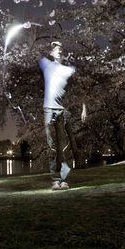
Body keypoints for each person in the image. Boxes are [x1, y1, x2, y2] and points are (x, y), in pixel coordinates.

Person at [38, 41, 75, 190]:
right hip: (48, 109)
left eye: (60, 49)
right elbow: (34, 49)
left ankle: (64, 179)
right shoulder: (46, 64)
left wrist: (84, 107)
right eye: (55, 49)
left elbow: (81, 86)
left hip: (60, 111)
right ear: (51, 52)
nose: (58, 51)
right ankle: (55, 179)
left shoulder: (68, 69)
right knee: (51, 146)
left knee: (63, 146)